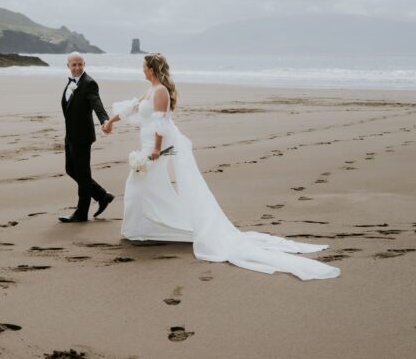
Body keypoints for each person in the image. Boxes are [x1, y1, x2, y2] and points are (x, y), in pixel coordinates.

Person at [102, 53, 340, 279]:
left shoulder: (161, 91)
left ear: (151, 69)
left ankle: (143, 229)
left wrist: (155, 148)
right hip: (147, 143)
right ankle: (147, 228)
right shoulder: (151, 89)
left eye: (144, 66)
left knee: (137, 183)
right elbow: (134, 107)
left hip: (157, 146)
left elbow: (161, 122)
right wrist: (111, 121)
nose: (142, 70)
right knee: (147, 185)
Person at [59, 52, 114, 223]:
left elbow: (96, 103)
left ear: (84, 64)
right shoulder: (71, 83)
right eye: (74, 65)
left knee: (82, 174)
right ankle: (101, 195)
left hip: (82, 136)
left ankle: (81, 213)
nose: (77, 68)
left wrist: (105, 120)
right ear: (68, 65)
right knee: (71, 169)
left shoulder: (89, 83)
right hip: (70, 136)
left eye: (80, 64)